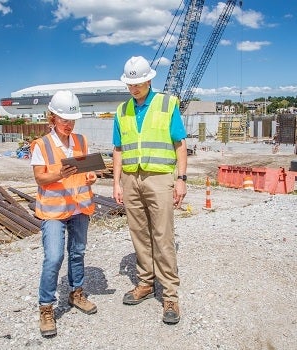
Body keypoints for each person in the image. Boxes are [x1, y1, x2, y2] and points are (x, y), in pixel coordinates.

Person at [112, 56, 188, 325]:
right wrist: (116, 182)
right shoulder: (122, 111)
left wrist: (181, 178)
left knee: (162, 235)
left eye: (138, 83)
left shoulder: (168, 104)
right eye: (129, 84)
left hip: (159, 179)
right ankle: (145, 283)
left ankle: (169, 294)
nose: (133, 88)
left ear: (149, 79)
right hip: (132, 180)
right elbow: (118, 149)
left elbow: (179, 144)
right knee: (139, 234)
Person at [30, 90, 97, 337]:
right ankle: (46, 306)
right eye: (63, 119)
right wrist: (61, 174)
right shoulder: (42, 145)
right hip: (54, 211)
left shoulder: (80, 141)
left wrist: (90, 177)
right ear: (52, 118)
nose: (68, 124)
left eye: (72, 120)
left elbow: (87, 173)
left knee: (77, 252)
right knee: (54, 257)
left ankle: (76, 293)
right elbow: (39, 177)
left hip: (79, 207)